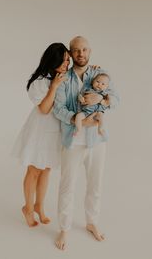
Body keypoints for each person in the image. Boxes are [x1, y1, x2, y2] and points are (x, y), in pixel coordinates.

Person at [53, 36, 119, 250]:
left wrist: (101, 99)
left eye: (84, 49)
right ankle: (64, 228)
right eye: (76, 50)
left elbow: (116, 99)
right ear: (71, 54)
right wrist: (78, 119)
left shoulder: (100, 75)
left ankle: (92, 222)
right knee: (67, 187)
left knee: (95, 185)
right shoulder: (64, 78)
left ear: (90, 51)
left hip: (97, 141)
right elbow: (59, 109)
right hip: (72, 140)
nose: (80, 53)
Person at [12, 43, 70, 227]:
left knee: (46, 169)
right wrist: (54, 87)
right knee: (34, 170)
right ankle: (27, 209)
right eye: (64, 61)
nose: (67, 64)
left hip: (55, 131)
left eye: (68, 60)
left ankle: (39, 206)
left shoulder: (63, 76)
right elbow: (44, 109)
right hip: (40, 130)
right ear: (53, 60)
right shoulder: (39, 81)